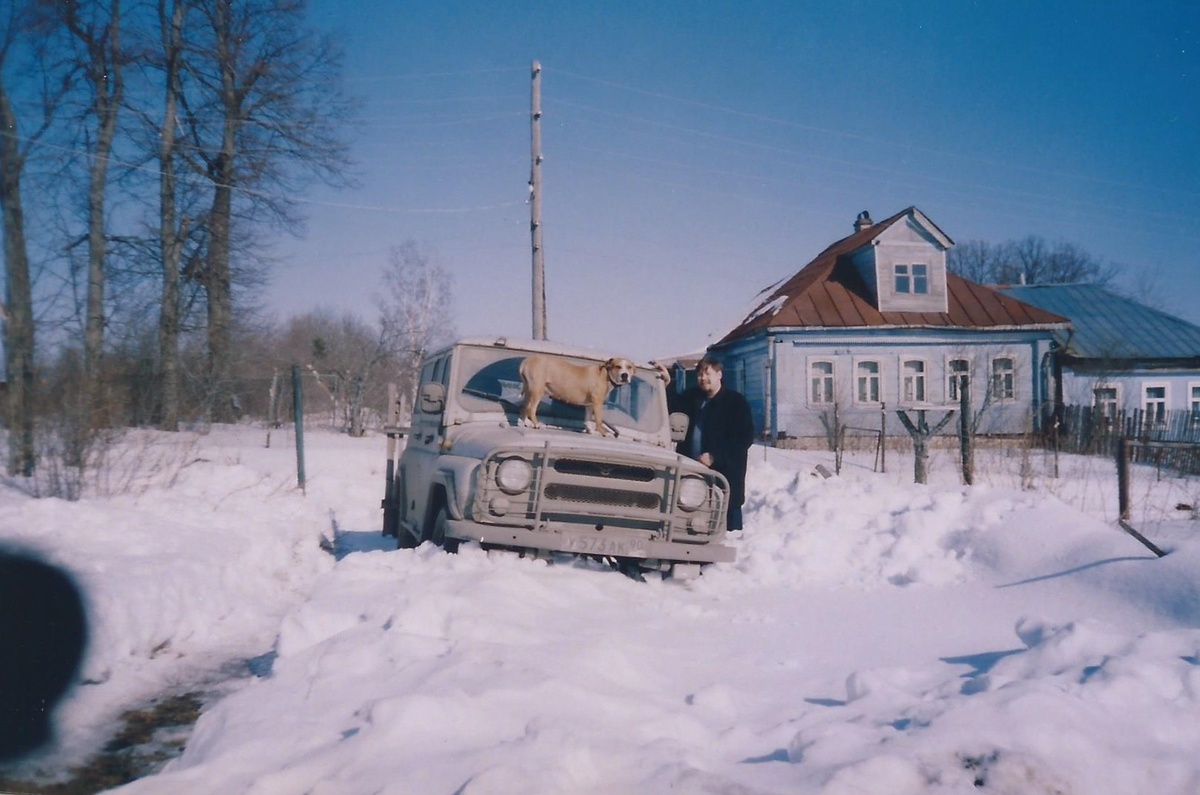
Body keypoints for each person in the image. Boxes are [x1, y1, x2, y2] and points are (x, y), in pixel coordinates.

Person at [657, 356, 755, 532]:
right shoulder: (693, 397)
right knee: (690, 520)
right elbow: (674, 407)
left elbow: (744, 438)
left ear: (719, 374)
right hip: (693, 473)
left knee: (726, 527)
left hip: (725, 476)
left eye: (707, 373)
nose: (703, 378)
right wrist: (667, 383)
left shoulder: (735, 403)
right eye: (700, 374)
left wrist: (714, 456)